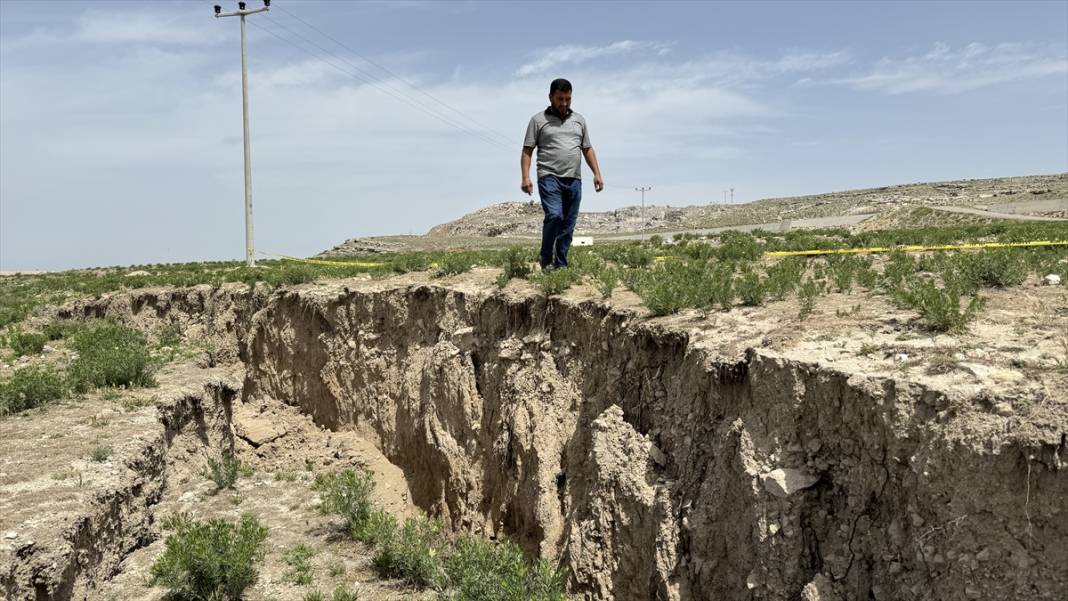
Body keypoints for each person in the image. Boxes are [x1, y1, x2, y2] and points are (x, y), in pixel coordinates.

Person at [521, 78, 603, 270]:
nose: (564, 103)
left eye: (568, 99)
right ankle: (546, 256)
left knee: (568, 224)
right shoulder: (538, 120)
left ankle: (561, 265)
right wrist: (526, 177)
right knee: (555, 215)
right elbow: (527, 150)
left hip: (574, 179)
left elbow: (587, 148)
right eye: (560, 99)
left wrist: (597, 173)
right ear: (550, 97)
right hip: (549, 176)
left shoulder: (579, 120)